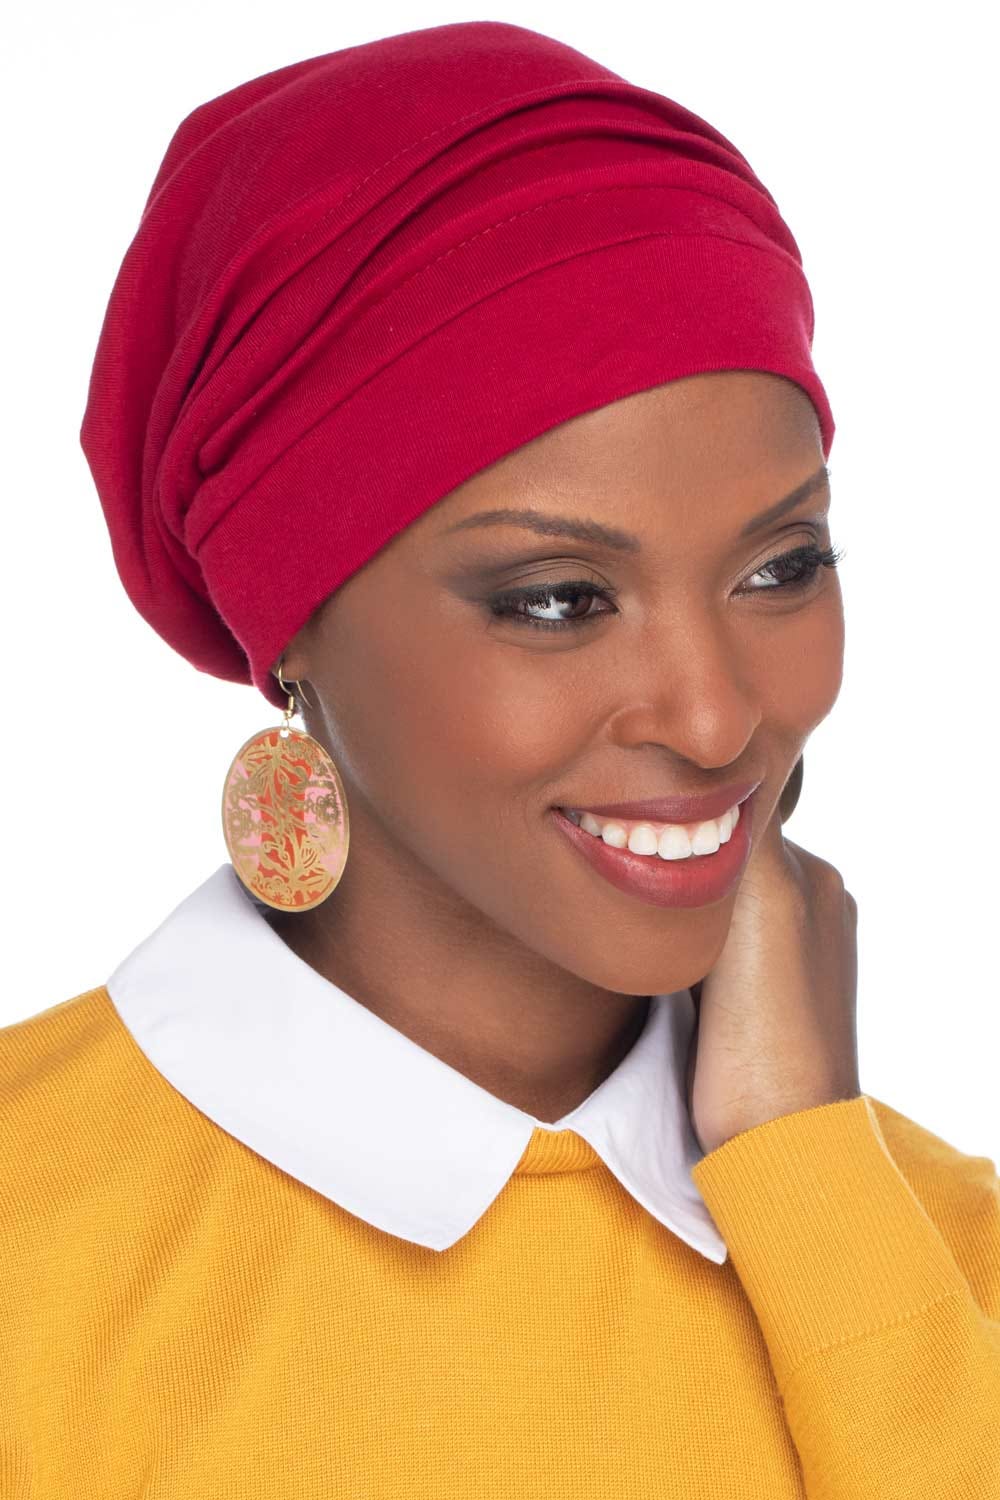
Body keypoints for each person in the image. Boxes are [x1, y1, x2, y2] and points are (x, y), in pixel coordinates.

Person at [2, 20, 997, 1497]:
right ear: (296, 638)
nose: (718, 721)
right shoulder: (37, 1236)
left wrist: (808, 1177)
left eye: (781, 568)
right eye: (558, 602)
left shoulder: (929, 1252)